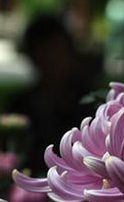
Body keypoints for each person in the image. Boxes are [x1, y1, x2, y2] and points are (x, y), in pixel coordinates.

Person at [10, 15, 101, 168]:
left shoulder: (92, 104)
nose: (51, 60)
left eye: (56, 51)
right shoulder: (18, 107)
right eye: (44, 53)